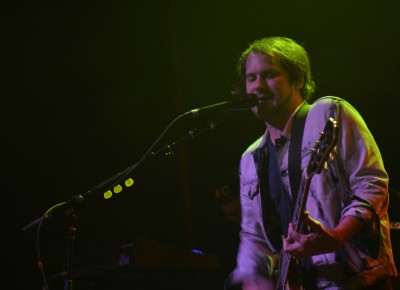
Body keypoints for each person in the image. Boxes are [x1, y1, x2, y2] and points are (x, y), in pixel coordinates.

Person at [226, 36, 398, 289]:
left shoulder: (327, 113)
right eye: (251, 78)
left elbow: (370, 183)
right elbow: (254, 236)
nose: (257, 86)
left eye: (269, 75)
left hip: (353, 280)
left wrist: (336, 237)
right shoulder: (250, 158)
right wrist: (252, 277)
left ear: (298, 79)